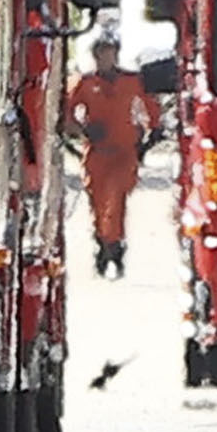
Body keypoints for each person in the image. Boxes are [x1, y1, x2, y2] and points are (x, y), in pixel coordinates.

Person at [67, 21, 161, 278]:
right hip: (96, 154)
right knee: (98, 203)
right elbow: (64, 115)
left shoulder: (131, 81)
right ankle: (103, 244)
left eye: (108, 51)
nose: (104, 57)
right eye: (100, 52)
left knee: (116, 199)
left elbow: (152, 108)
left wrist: (151, 134)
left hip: (124, 152)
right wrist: (83, 130)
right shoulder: (84, 83)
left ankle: (115, 247)